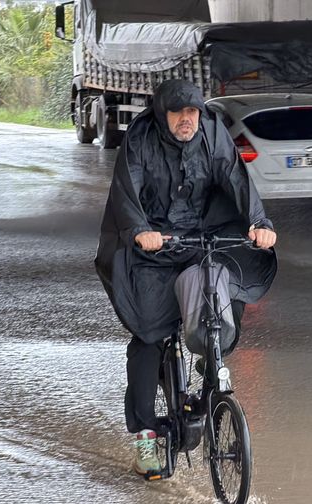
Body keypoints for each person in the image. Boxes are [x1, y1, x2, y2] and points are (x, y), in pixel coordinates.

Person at [94, 79, 278, 476]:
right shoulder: (141, 138)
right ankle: (145, 437)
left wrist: (259, 222)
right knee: (148, 335)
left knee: (228, 291)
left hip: (200, 236)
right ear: (163, 115)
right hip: (152, 246)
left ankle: (210, 358)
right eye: (178, 113)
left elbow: (236, 179)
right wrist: (140, 231)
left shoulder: (213, 132)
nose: (186, 120)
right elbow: (126, 192)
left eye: (192, 112)